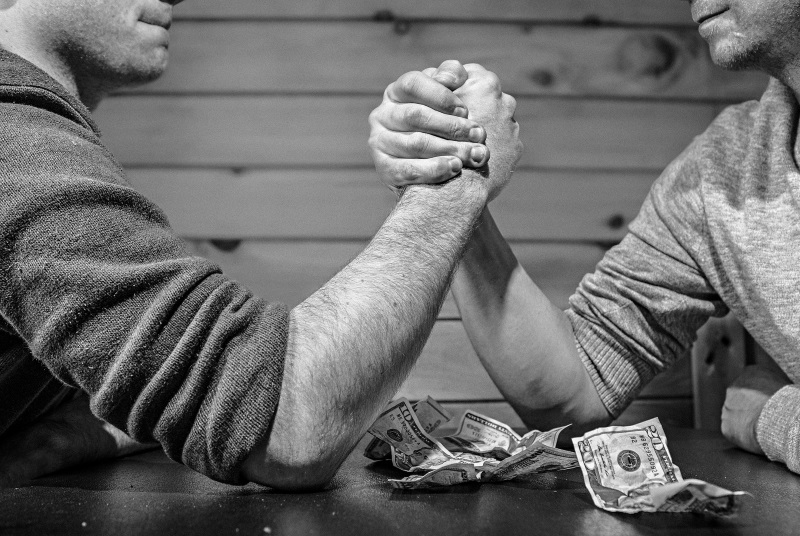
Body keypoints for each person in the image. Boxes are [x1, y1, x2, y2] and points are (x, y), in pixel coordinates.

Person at [0, 0, 522, 488]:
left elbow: (163, 385)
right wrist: (458, 175)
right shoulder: (16, 143)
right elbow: (284, 426)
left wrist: (69, 432)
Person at [368, 0, 800, 474]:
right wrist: (447, 176)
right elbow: (577, 392)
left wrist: (771, 417)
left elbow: (773, 417)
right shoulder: (721, 170)